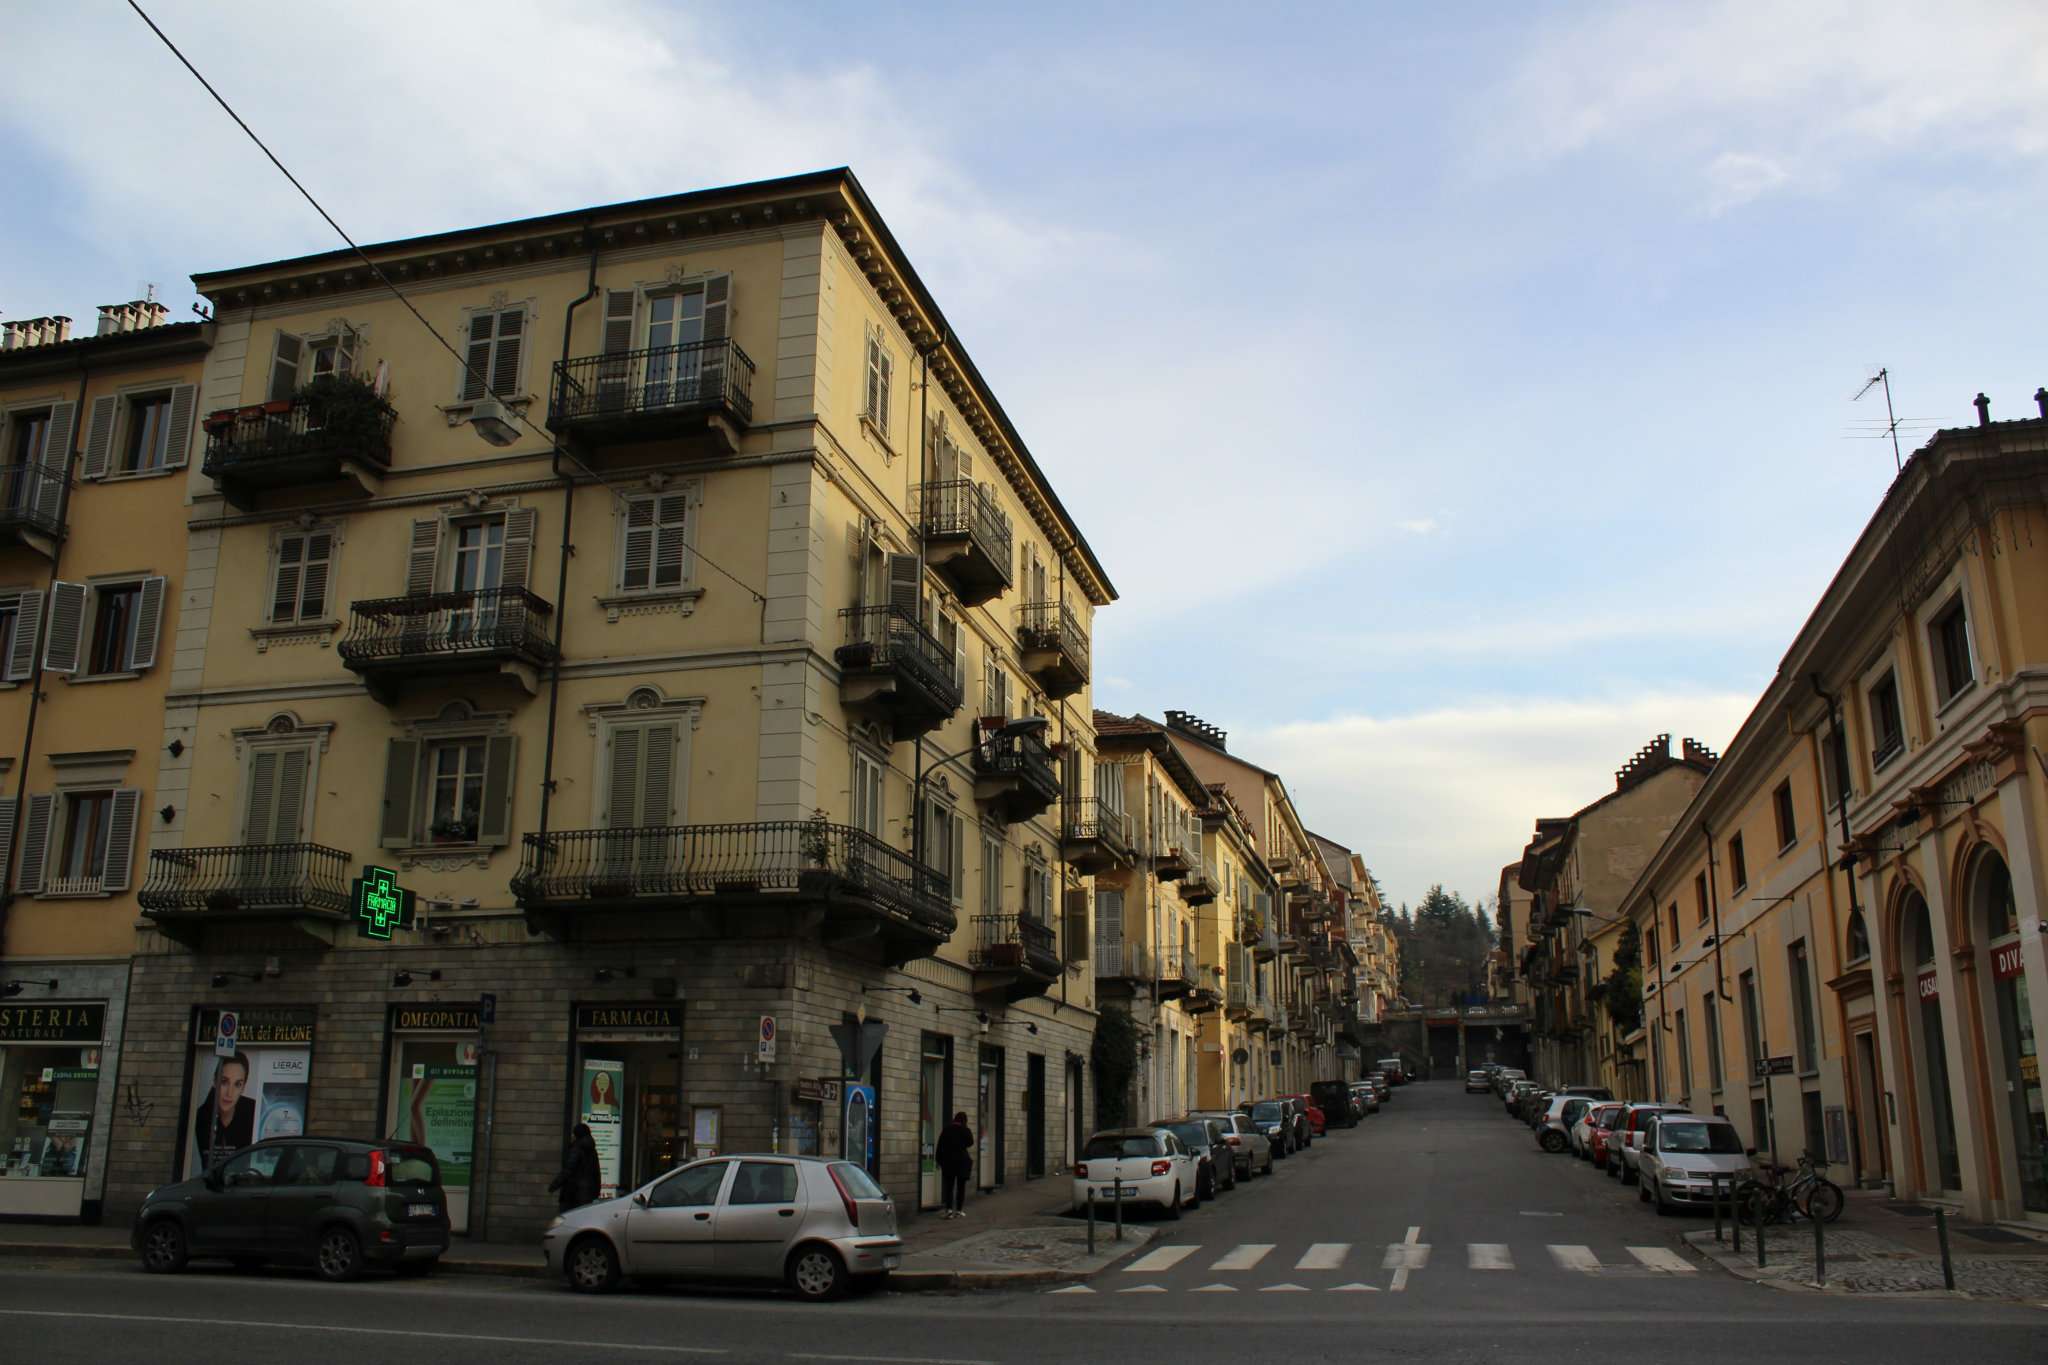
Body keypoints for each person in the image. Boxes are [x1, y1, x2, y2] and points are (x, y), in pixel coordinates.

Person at [191, 1051, 256, 1173]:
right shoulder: (202, 1116)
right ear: (215, 1082)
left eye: (237, 1084)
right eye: (224, 1082)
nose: (229, 1093)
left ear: (243, 1088)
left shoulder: (252, 1110)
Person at [549, 1122, 601, 1211]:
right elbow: (596, 1172)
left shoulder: (576, 1149)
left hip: (573, 1193)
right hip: (587, 1195)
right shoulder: (592, 1150)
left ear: (577, 1135)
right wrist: (596, 1190)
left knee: (566, 1220)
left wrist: (554, 1185)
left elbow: (568, 1170)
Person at [934, 1111, 974, 1219]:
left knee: (949, 1187)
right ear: (964, 1120)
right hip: (962, 1162)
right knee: (961, 1187)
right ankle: (959, 1210)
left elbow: (940, 1145)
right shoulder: (965, 1130)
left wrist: (938, 1160)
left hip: (948, 1162)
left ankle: (949, 1210)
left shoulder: (947, 1129)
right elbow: (971, 1142)